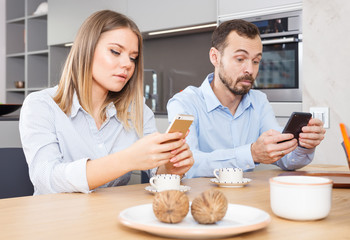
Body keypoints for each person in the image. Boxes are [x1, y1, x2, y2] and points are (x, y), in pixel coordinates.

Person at [19, 10, 193, 195]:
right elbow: (47, 179)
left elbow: (157, 173)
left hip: (111, 216)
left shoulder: (138, 111)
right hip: (57, 219)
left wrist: (170, 168)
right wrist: (128, 159)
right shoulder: (41, 105)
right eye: (115, 52)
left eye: (133, 57)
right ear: (87, 49)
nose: (127, 64)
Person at [167, 19, 325, 178]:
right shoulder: (184, 103)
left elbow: (287, 160)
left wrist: (304, 145)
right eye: (240, 59)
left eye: (256, 61)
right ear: (215, 57)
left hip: (245, 199)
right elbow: (186, 165)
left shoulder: (259, 101)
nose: (250, 70)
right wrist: (251, 154)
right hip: (201, 201)